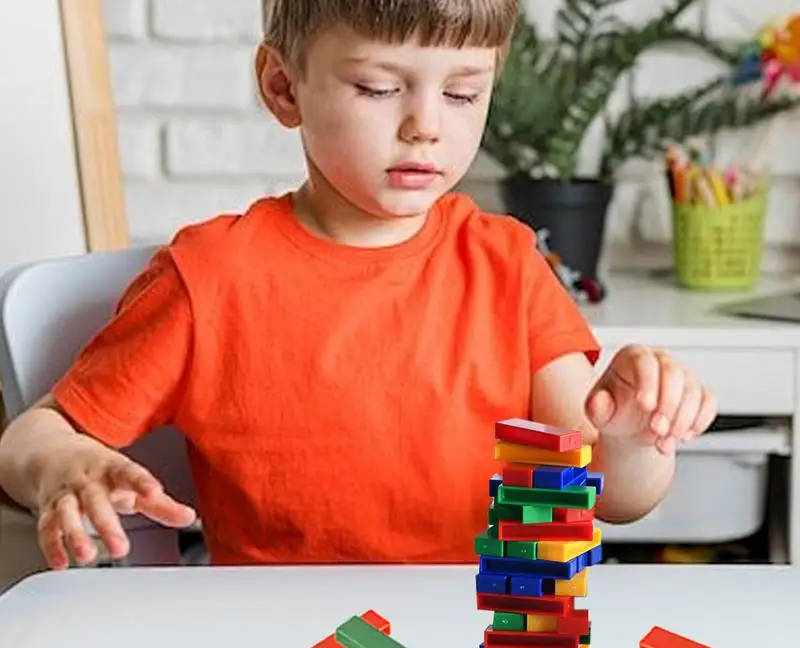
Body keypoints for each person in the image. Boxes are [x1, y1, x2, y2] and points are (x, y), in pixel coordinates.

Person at [0, 0, 716, 570]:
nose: (425, 126)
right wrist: (61, 464)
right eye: (378, 87)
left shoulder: (507, 264)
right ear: (284, 86)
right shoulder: (209, 278)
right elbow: (30, 437)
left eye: (465, 93)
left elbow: (611, 500)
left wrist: (633, 435)